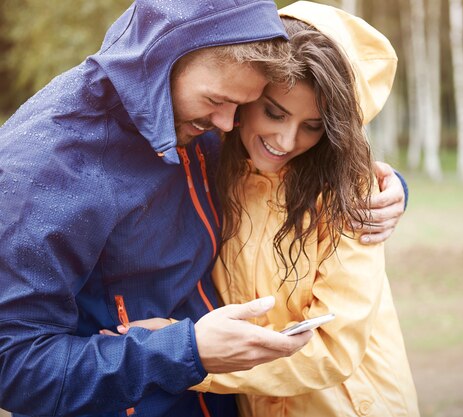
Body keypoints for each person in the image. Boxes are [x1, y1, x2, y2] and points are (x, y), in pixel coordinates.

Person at [0, 1, 407, 416]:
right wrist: (183, 351)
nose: (228, 125)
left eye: (243, 104)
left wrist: (390, 190)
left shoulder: (204, 121)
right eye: (220, 101)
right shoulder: (42, 168)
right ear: (164, 56)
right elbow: (13, 366)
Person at [119, 2, 418, 416]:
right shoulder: (215, 160)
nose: (286, 139)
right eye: (274, 112)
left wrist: (189, 356)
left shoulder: (350, 195)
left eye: (314, 126)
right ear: (247, 95)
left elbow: (333, 351)